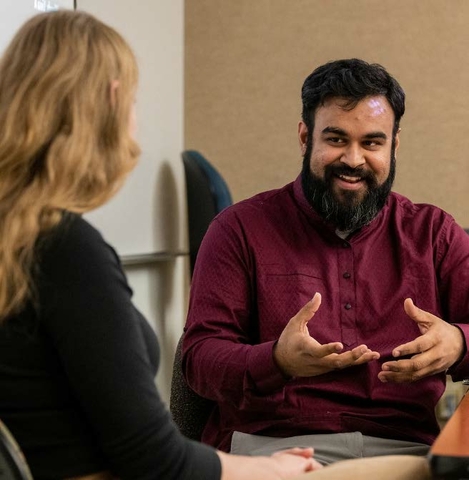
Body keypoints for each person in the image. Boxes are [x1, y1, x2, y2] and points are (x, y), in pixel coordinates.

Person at [0, 10, 324, 480]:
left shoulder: (19, 240)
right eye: (132, 101)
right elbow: (154, 460)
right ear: (111, 101)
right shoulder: (65, 251)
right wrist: (269, 469)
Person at [181, 58, 469, 464]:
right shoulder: (238, 229)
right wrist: (277, 360)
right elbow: (198, 360)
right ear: (305, 137)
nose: (353, 159)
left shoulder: (434, 234)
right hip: (270, 451)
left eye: (371, 143)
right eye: (336, 139)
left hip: (400, 452)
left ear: (394, 145)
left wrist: (458, 342)